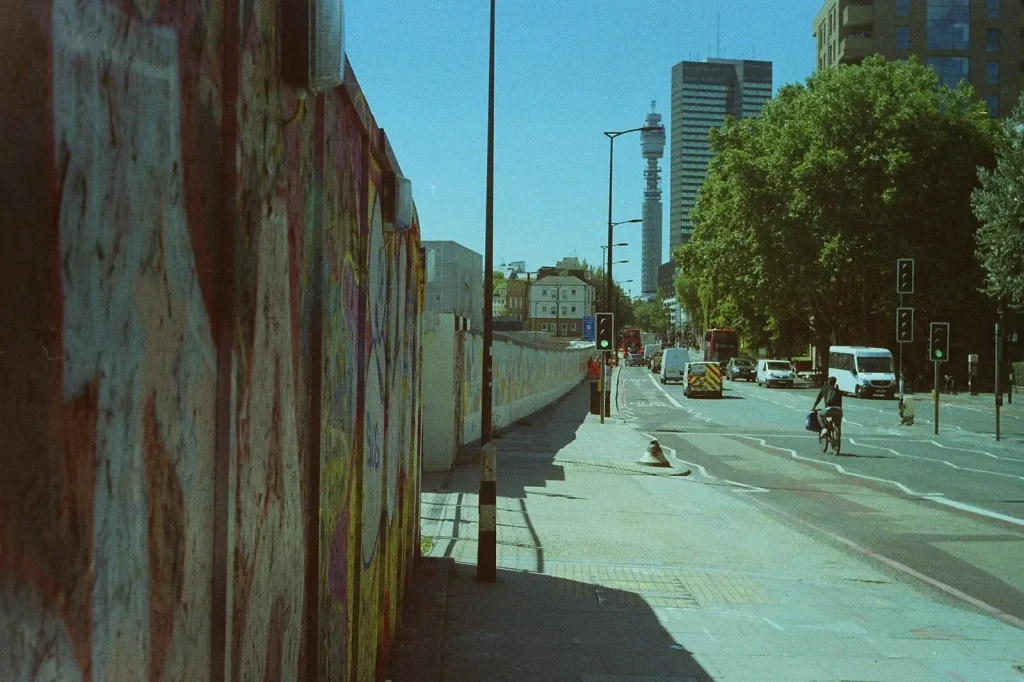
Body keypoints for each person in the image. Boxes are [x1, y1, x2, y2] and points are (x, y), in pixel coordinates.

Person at [811, 376, 843, 440]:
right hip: (838, 410)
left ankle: (824, 429)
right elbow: (840, 402)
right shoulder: (838, 391)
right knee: (838, 425)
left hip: (829, 410)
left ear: (828, 382)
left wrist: (813, 408)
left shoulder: (824, 389)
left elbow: (818, 399)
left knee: (820, 415)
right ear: (834, 383)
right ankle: (837, 440)